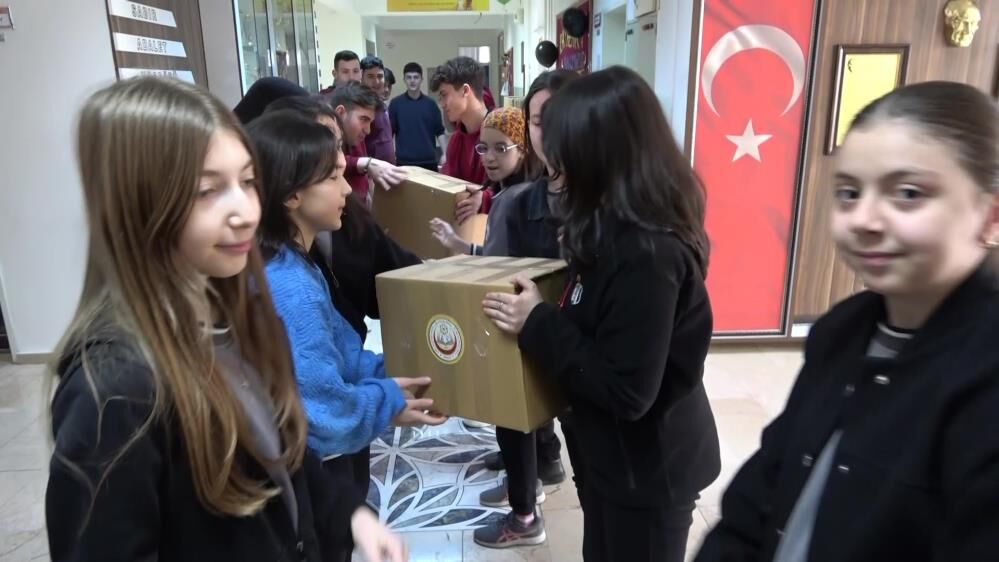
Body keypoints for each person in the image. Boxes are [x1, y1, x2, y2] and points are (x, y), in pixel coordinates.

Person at [45, 77, 406, 562]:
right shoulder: (115, 390)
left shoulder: (238, 312)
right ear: (138, 204)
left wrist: (348, 513)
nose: (244, 212)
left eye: (248, 182)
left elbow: (280, 449)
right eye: (207, 191)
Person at [696, 81, 999, 562]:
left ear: (989, 215)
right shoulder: (842, 331)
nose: (864, 219)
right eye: (849, 192)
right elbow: (764, 488)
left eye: (908, 193)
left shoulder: (983, 373)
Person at [481, 66, 722, 562]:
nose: (554, 159)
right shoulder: (608, 227)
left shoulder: (647, 253)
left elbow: (628, 391)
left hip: (650, 469)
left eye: (564, 144)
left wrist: (538, 321)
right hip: (613, 459)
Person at [248, 110, 444, 501]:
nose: (347, 190)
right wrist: (387, 401)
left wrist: (404, 376)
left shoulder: (292, 262)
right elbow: (326, 415)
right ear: (291, 194)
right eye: (333, 177)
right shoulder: (291, 286)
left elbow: (343, 355)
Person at [260, 95, 422, 343]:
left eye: (337, 146)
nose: (341, 161)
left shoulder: (349, 214)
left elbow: (398, 269)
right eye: (322, 149)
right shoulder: (285, 278)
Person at [429, 106, 527, 257]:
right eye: (484, 148)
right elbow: (495, 255)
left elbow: (497, 263)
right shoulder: (502, 193)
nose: (489, 157)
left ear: (521, 149)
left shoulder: (513, 200)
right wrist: (457, 243)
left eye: (500, 149)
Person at [328, 82, 407, 207]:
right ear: (340, 113)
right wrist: (365, 163)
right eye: (363, 119)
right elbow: (328, 161)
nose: (368, 130)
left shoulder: (355, 136)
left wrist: (367, 190)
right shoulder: (320, 139)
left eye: (370, 122)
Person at [431, 56, 492, 215]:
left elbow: (517, 188)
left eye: (444, 95)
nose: (442, 104)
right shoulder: (456, 141)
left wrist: (485, 198)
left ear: (465, 91)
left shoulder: (501, 132)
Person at [391, 62, 447, 172]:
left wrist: (445, 153)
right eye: (409, 77)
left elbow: (440, 131)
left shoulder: (431, 104)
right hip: (404, 163)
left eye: (416, 77)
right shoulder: (395, 104)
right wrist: (390, 155)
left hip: (429, 162)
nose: (412, 81)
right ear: (404, 80)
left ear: (421, 79)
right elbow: (389, 133)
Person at [360, 56, 396, 164]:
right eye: (370, 76)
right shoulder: (360, 107)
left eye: (380, 76)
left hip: (389, 168)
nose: (376, 81)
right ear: (361, 77)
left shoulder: (382, 105)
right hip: (371, 170)